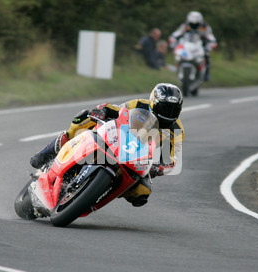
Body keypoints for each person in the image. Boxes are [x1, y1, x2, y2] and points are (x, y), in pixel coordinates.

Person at [30, 83, 185, 207]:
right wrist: (103, 110)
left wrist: (159, 168)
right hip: (118, 137)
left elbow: (173, 159)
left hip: (139, 159)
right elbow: (118, 110)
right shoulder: (139, 104)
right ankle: (47, 153)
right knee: (84, 118)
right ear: (153, 102)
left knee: (142, 193)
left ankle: (91, 196)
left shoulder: (176, 130)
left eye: (173, 109)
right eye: (165, 108)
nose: (168, 113)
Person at [169, 11, 217, 81]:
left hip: (200, 45)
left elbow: (211, 38)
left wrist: (210, 45)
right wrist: (173, 41)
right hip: (187, 44)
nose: (194, 26)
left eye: (196, 24)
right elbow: (176, 34)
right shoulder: (185, 26)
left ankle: (206, 73)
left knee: (206, 54)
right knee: (178, 53)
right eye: (192, 24)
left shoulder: (205, 27)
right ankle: (177, 68)